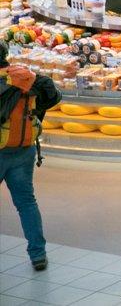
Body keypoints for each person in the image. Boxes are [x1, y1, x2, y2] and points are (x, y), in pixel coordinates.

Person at [0, 40, 62, 271]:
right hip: (24, 148)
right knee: (26, 203)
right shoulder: (25, 77)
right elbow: (52, 96)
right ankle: (38, 255)